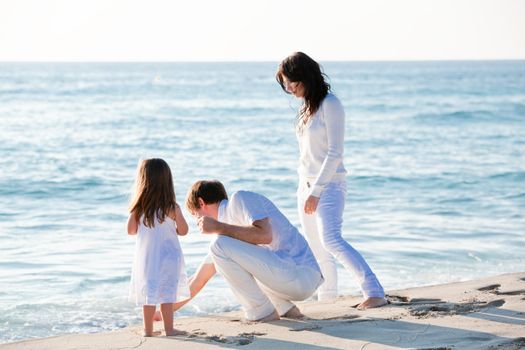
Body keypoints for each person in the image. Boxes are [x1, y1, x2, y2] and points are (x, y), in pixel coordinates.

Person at [276, 52, 387, 309]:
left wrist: (316, 191)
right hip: (305, 186)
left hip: (330, 186)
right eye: (285, 84)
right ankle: (328, 300)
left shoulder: (330, 104)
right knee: (317, 248)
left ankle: (374, 290)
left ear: (306, 76)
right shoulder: (306, 109)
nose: (289, 88)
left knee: (331, 240)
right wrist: (306, 189)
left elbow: (335, 152)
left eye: (292, 82)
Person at [179, 180, 324, 322]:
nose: (196, 221)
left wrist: (218, 227)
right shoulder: (226, 238)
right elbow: (199, 279)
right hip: (292, 280)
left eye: (194, 215)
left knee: (218, 245)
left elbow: (265, 235)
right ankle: (284, 308)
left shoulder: (240, 198)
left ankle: (262, 312)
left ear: (201, 203)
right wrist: (162, 312)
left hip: (302, 273)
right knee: (221, 250)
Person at [127, 158, 190, 336]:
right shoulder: (172, 207)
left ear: (143, 181)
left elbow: (131, 230)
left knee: (149, 294)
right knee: (167, 294)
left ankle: (148, 330)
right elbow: (184, 231)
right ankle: (169, 329)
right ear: (167, 182)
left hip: (147, 258)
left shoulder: (139, 208)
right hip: (170, 257)